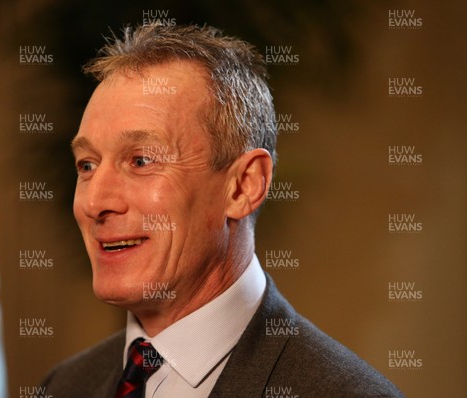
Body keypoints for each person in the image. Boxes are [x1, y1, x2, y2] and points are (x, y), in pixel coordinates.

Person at [42, 23, 404, 398]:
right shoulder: (63, 386)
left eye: (141, 160)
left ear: (244, 186)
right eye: (87, 165)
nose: (95, 202)